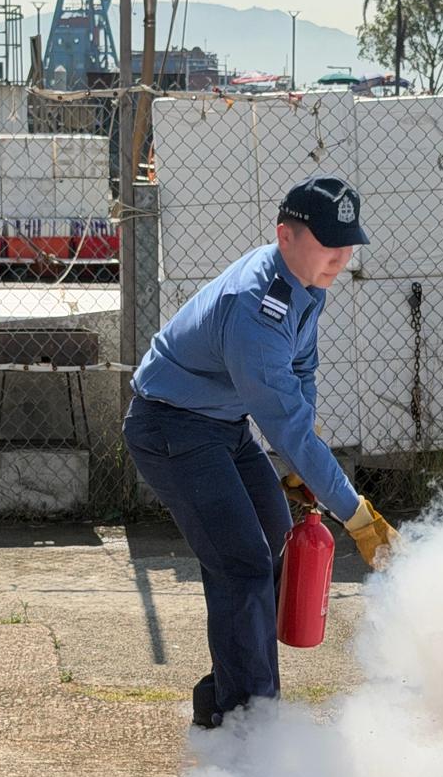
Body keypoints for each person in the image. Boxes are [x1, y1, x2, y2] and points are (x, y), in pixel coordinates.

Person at [124, 174, 399, 730]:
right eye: (329, 243)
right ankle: (250, 723)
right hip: (172, 428)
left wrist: (303, 468)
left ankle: (227, 697)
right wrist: (355, 514)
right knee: (243, 564)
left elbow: (302, 371)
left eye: (348, 244)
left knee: (274, 534)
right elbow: (286, 424)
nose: (342, 257)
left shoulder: (304, 284)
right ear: (285, 236)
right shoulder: (258, 307)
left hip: (221, 425)